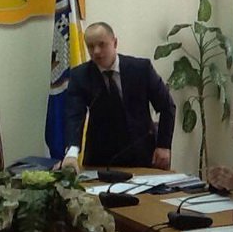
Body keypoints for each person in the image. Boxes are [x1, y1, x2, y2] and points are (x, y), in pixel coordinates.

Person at [62, 22, 176, 170]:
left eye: (102, 44)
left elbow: (167, 106)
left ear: (115, 43)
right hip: (100, 156)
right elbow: (74, 115)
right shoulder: (80, 76)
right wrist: (72, 153)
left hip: (141, 152)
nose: (96, 51)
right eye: (90, 46)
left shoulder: (141, 69)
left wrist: (163, 145)